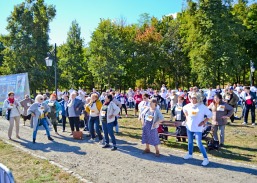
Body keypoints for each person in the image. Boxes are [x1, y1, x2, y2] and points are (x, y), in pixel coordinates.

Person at [183, 93, 212, 166]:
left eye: (194, 98)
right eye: (192, 98)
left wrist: (204, 121)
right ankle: (190, 154)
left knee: (199, 143)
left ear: (198, 98)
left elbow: (210, 114)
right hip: (189, 127)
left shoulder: (202, 107)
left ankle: (206, 158)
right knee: (190, 141)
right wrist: (186, 117)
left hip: (198, 128)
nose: (193, 99)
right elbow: (184, 109)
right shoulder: (188, 106)